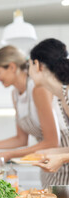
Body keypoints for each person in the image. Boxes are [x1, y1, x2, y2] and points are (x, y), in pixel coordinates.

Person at [0, 45, 65, 188]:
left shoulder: (37, 88)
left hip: (62, 160)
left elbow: (52, 142)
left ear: (12, 67)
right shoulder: (15, 95)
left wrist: (8, 155)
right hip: (45, 163)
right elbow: (20, 139)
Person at [28, 38, 69, 185]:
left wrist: (62, 158)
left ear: (37, 65)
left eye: (29, 65)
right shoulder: (62, 96)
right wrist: (49, 153)